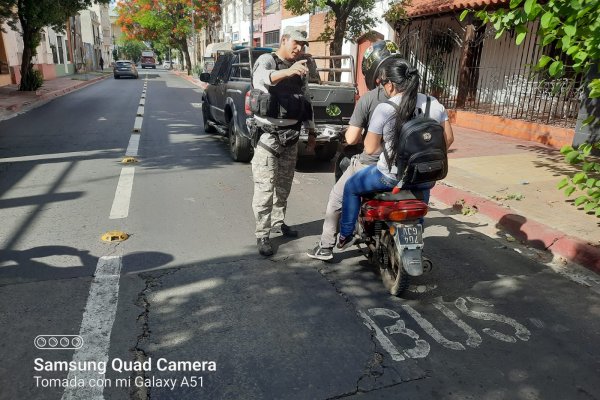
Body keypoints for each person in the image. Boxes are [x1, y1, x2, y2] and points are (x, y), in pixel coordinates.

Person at [337, 58, 454, 249]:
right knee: (420, 195)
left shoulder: (385, 108)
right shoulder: (434, 104)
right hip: (425, 175)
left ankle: (346, 234)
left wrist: (393, 150)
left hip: (390, 176)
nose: (383, 87)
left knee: (350, 186)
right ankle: (416, 232)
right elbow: (448, 139)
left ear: (390, 84)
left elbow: (370, 149)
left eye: (383, 83)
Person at [251, 27, 316, 256]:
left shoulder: (300, 68)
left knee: (283, 187)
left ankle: (278, 223)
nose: (300, 48)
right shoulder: (267, 60)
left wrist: (312, 131)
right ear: (284, 40)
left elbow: (305, 100)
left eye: (303, 45)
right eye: (296, 43)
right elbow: (263, 80)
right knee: (265, 188)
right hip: (269, 136)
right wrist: (289, 72)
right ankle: (262, 233)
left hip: (291, 137)